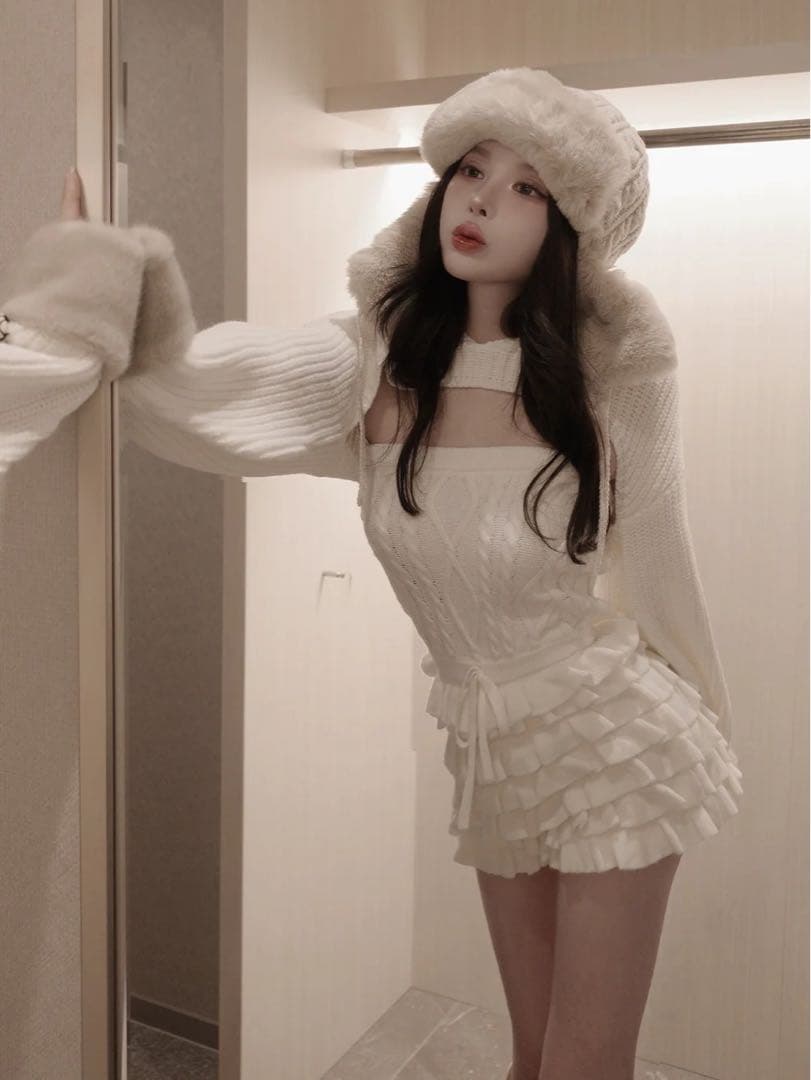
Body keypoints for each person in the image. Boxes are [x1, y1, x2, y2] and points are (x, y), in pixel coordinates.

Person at [1, 67, 743, 1080]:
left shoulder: (609, 373)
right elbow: (183, 391)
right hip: (493, 745)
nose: (481, 200)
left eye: (527, 187)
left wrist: (706, 715)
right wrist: (89, 284)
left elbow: (659, 555)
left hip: (618, 743)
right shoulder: (373, 363)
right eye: (471, 169)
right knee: (529, 1058)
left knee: (583, 1063)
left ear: (567, 227)